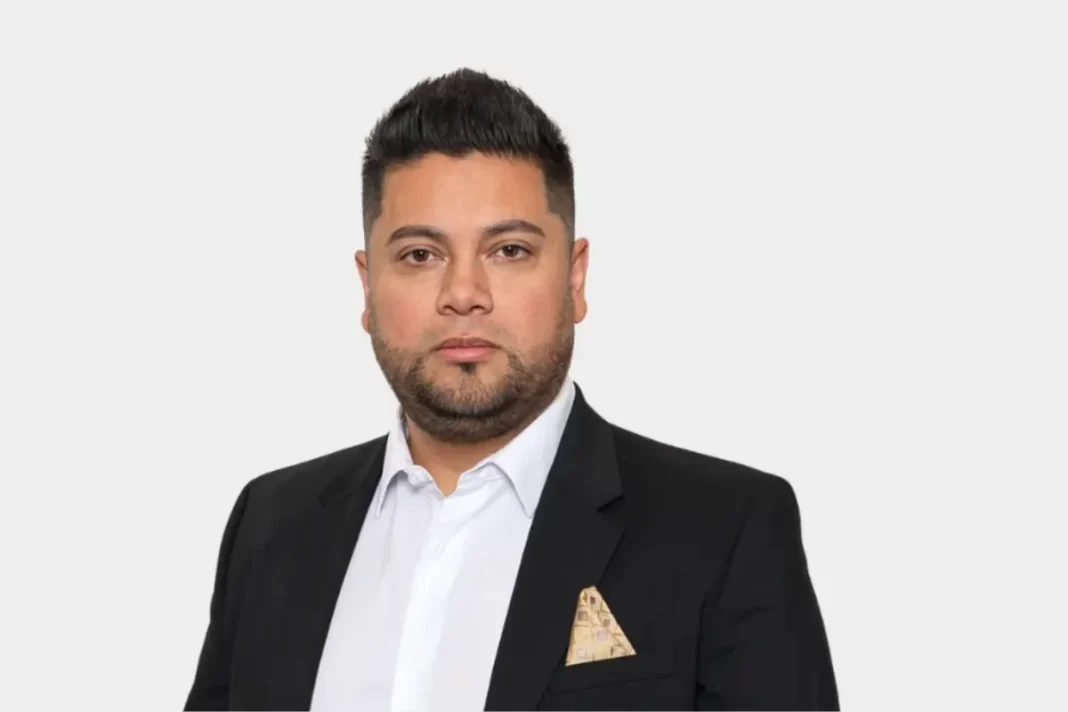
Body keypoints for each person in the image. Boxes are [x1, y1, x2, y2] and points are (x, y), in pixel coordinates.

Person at [184, 67, 839, 711]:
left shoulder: (724, 531)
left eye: (509, 251)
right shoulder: (271, 525)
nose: (463, 293)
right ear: (367, 286)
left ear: (575, 280)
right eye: (420, 255)